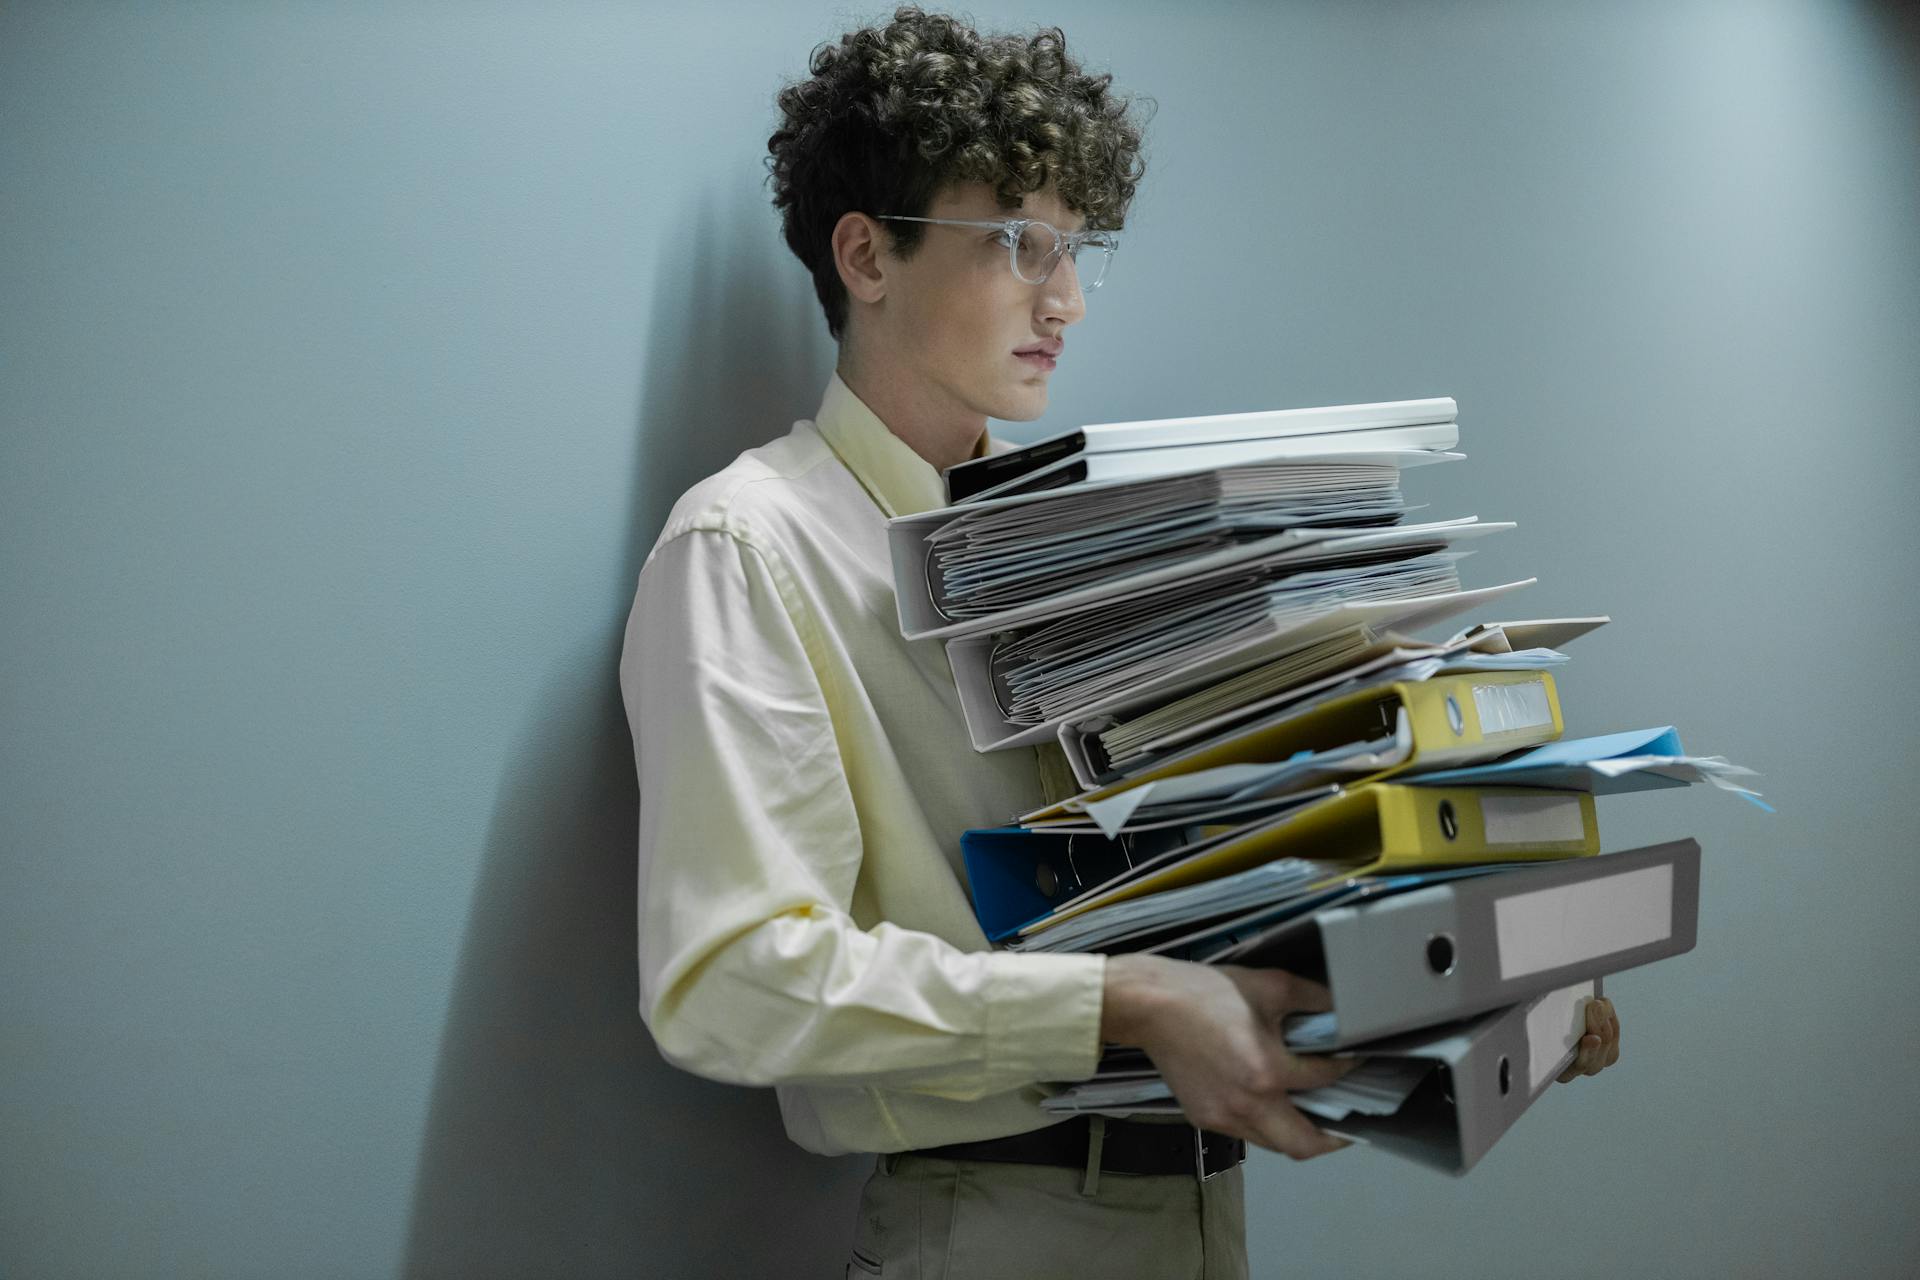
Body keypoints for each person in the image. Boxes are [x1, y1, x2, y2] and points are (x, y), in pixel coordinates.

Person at [618, 9, 1621, 1277]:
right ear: (867, 255)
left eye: (1078, 250)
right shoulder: (748, 545)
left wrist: (1478, 982)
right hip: (991, 1222)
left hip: (1202, 1210)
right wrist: (1130, 1001)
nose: (1069, 301)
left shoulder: (1096, 542)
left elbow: (1209, 869)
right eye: (1021, 246)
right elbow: (733, 974)